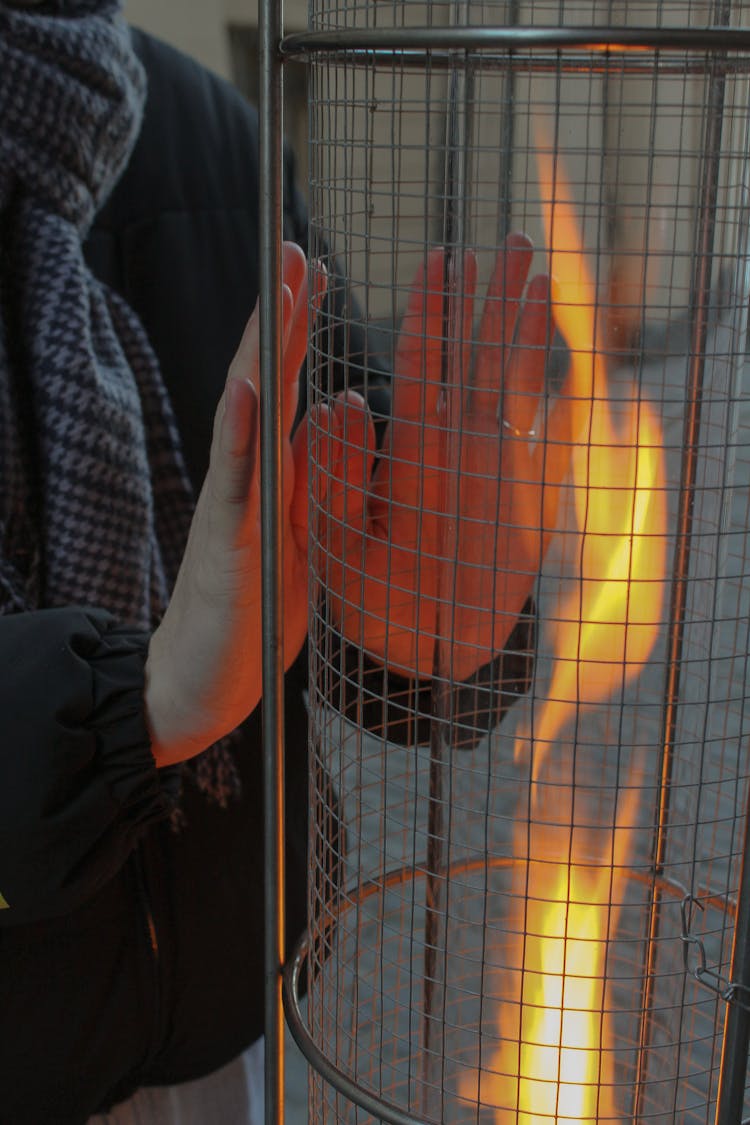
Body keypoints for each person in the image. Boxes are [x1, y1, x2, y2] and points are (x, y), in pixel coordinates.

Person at [0, 3, 565, 1122]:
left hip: (212, 1040)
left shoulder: (203, 130)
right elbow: (194, 660)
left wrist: (432, 630)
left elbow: (352, 507)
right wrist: (131, 709)